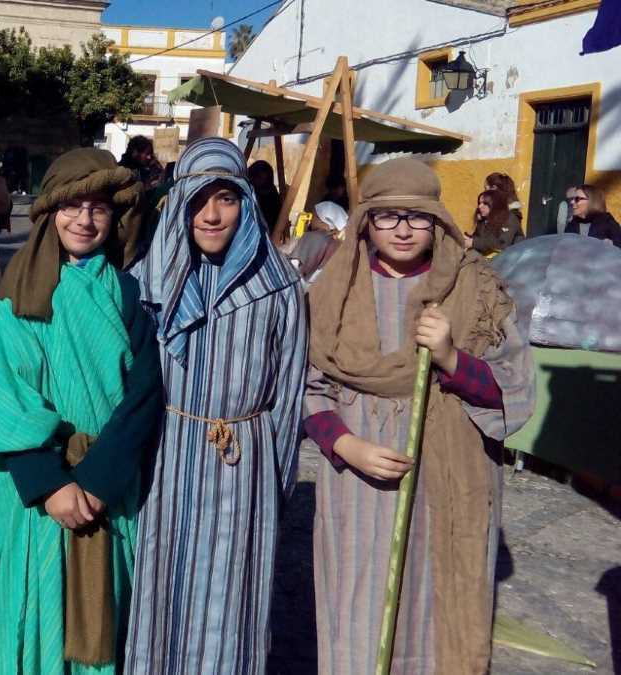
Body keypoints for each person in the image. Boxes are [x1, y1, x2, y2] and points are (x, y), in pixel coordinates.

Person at [303, 158, 534, 674]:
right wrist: (345, 445)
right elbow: (306, 387)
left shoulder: (477, 290)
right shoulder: (334, 290)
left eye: (418, 216)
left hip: (446, 483)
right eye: (388, 216)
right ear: (367, 222)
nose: (403, 229)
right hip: (358, 489)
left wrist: (453, 358)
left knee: (435, 624)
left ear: (439, 221)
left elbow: (515, 389)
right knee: (359, 621)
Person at [0, 148, 161, 673]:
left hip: (105, 489)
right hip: (34, 494)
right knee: (28, 619)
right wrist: (51, 485)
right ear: (50, 212)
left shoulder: (126, 294)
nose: (84, 219)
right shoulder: (16, 296)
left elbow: (143, 394)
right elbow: (5, 397)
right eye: (71, 206)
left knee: (102, 619)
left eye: (98, 207)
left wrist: (97, 481)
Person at [125, 137, 309, 673]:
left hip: (242, 465)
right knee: (162, 588)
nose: (211, 214)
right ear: (179, 199)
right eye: (199, 198)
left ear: (246, 204)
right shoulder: (149, 281)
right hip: (169, 454)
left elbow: (289, 394)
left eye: (226, 198)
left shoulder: (279, 289)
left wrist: (274, 489)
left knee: (232, 597)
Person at [469, 188, 524, 256]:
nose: (480, 206)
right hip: (491, 260)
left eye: (485, 203)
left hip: (512, 260)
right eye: (479, 203)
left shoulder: (509, 219)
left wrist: (473, 243)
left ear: (495, 204)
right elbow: (479, 238)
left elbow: (502, 244)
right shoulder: (484, 220)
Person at [248, 159, 283, 231]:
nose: (260, 181)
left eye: (262, 178)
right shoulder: (248, 191)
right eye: (259, 177)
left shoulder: (271, 194)